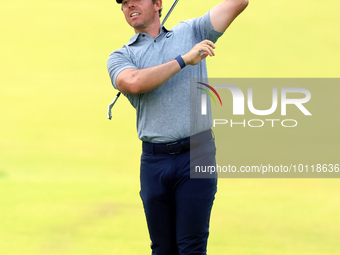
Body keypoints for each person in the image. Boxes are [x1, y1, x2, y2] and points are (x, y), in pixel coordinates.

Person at [107, 0, 248, 254]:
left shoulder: (192, 31)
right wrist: (184, 59)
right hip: (154, 161)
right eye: (124, 3)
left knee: (191, 247)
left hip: (196, 153)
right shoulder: (122, 56)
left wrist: (187, 52)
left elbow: (239, 3)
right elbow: (134, 82)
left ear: (158, 3)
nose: (130, 5)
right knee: (162, 248)